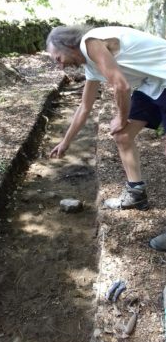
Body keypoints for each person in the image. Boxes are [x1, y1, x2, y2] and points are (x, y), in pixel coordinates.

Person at [46, 24, 166, 250]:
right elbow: (84, 107)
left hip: (162, 78)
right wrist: (65, 142)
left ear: (69, 45)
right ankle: (136, 192)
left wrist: (121, 117)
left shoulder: (90, 43)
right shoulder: (90, 65)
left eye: (58, 58)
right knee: (123, 137)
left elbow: (121, 85)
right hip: (152, 83)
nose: (59, 64)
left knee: (123, 127)